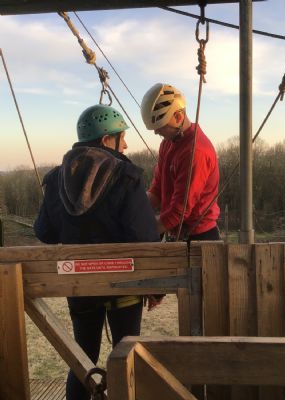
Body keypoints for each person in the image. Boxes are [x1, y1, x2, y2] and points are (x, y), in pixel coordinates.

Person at [34, 104, 160, 400]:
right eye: (122, 137)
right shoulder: (126, 176)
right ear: (106, 139)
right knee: (127, 356)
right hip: (123, 286)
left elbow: (44, 232)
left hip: (79, 286)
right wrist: (155, 287)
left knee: (83, 358)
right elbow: (145, 239)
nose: (125, 145)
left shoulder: (56, 178)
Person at [141, 83, 220, 241]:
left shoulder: (196, 152)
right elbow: (157, 190)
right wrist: (133, 209)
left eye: (160, 126)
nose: (156, 132)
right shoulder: (168, 143)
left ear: (178, 117)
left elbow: (180, 211)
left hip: (200, 238)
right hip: (177, 232)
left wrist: (141, 231)